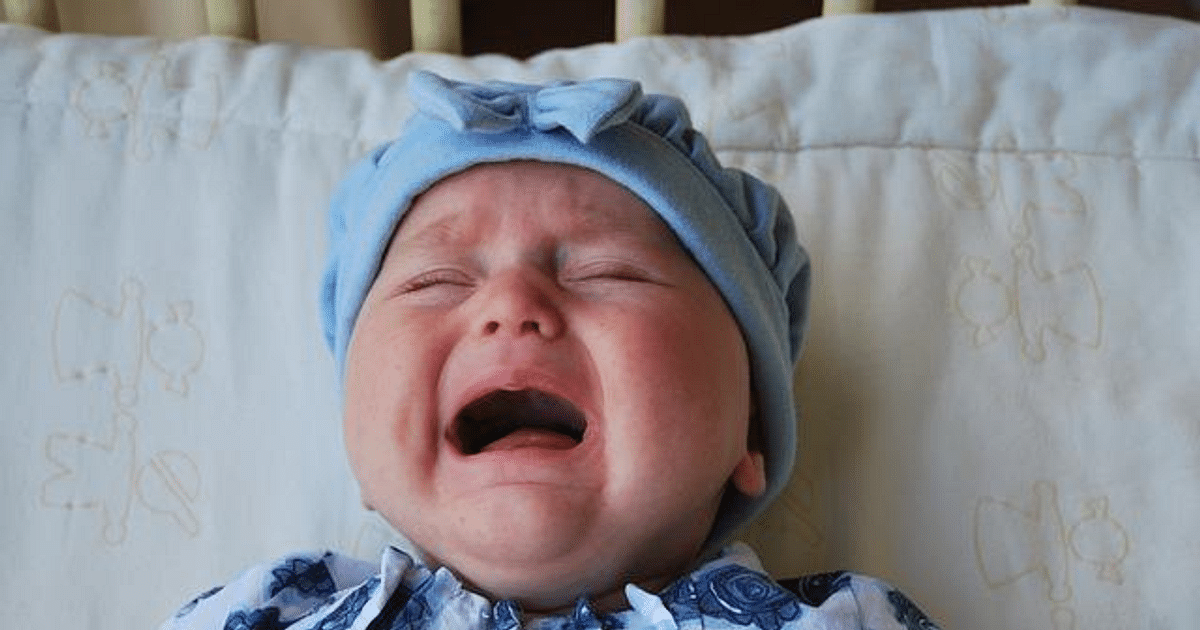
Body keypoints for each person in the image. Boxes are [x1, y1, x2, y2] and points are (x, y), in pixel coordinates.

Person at [160, 71, 940, 630]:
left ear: (752, 429)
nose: (512, 305)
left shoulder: (846, 620)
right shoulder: (273, 609)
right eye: (436, 281)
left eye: (607, 272)